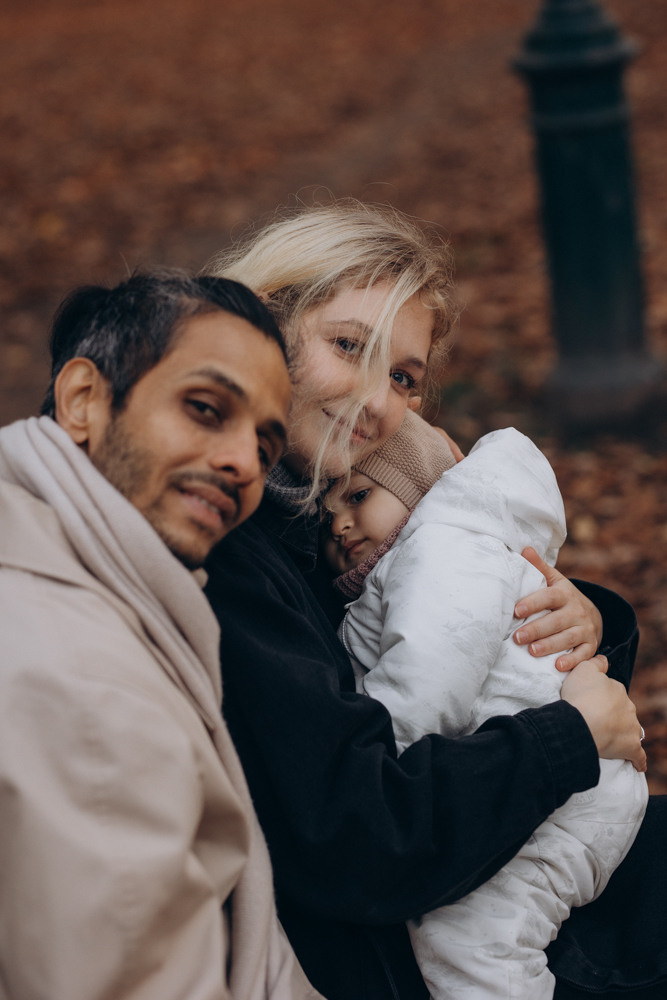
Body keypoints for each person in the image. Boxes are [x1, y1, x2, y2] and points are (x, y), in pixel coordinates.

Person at [202, 200, 664, 1000]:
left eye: (403, 377)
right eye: (348, 346)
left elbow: (449, 619)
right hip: (393, 949)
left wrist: (577, 616)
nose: (378, 402)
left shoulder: (312, 517)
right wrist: (569, 736)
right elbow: (361, 834)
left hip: (478, 856)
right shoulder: (232, 552)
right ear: (260, 328)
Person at [0, 273, 322, 1000]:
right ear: (84, 399)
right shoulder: (81, 683)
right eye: (206, 410)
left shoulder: (52, 562)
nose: (244, 464)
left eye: (266, 449)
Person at [323, 411, 648, 1000]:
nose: (341, 524)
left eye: (359, 495)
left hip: (563, 796)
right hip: (559, 781)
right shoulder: (433, 555)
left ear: (415, 488)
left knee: (472, 944)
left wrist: (373, 756)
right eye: (327, 519)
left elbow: (429, 679)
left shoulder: (441, 549)